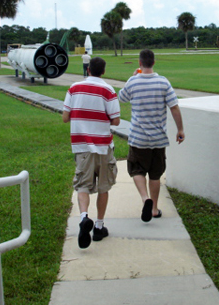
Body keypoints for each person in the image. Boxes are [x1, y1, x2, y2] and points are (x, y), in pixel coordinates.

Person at [118, 49, 185, 222]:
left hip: (138, 137)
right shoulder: (163, 82)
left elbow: (122, 97)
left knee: (137, 169)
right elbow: (174, 107)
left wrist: (132, 77)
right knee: (155, 175)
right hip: (158, 138)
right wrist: (180, 129)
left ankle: (144, 198)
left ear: (140, 63)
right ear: (153, 62)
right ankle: (154, 208)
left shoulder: (133, 81)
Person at [63, 57, 121, 248]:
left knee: (82, 185)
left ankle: (83, 217)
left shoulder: (73, 88)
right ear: (103, 71)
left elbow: (65, 117)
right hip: (103, 147)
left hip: (82, 147)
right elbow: (116, 121)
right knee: (103, 187)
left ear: (88, 70)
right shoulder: (108, 90)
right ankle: (99, 226)